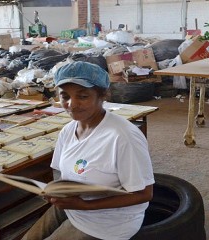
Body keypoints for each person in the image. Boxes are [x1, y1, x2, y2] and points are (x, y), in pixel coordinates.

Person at [21, 61, 154, 240]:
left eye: (82, 96)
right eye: (65, 96)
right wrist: (55, 192)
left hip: (107, 222)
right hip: (74, 206)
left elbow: (144, 194)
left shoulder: (123, 137)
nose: (72, 104)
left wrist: (84, 205)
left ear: (102, 96)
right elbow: (65, 175)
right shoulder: (68, 130)